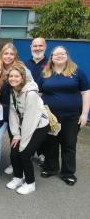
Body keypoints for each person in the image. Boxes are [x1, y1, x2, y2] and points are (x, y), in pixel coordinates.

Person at [39, 46, 90, 186]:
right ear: (51, 57)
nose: (59, 56)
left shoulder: (77, 72)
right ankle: (51, 168)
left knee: (69, 144)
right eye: (56, 54)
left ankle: (68, 173)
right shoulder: (45, 73)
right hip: (50, 117)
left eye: (62, 53)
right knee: (51, 143)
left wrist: (85, 114)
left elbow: (86, 93)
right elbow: (39, 94)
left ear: (67, 56)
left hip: (71, 117)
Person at [6, 64, 49, 195]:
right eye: (11, 76)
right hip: (23, 125)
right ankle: (18, 177)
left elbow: (31, 121)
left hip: (39, 126)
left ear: (23, 77)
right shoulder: (13, 90)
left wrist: (23, 143)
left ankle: (30, 183)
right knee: (14, 152)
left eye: (16, 76)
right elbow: (13, 113)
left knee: (24, 154)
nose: (13, 79)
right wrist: (16, 135)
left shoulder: (30, 94)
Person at [0, 43, 33, 175]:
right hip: (2, 109)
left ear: (15, 56)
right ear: (1, 55)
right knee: (11, 136)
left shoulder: (22, 68)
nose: (8, 56)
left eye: (11, 54)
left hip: (18, 109)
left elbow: (30, 85)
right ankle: (15, 163)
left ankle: (18, 165)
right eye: (6, 53)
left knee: (18, 137)